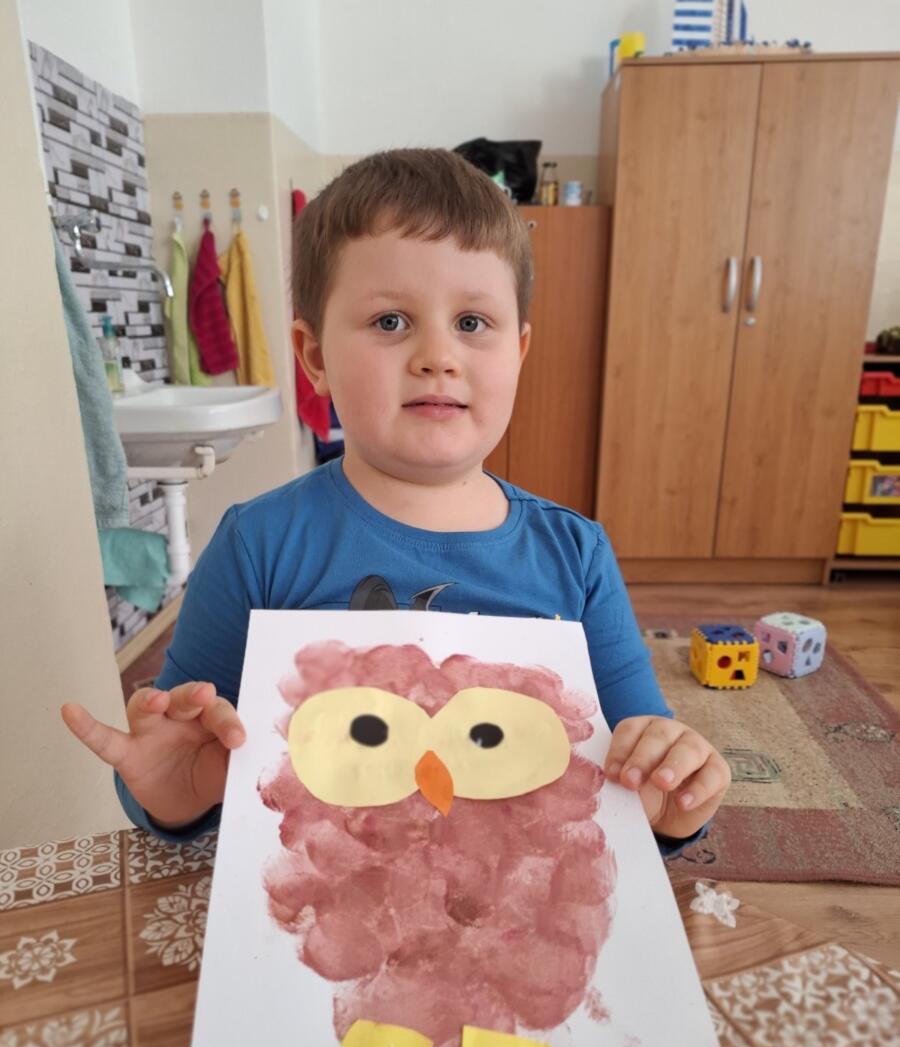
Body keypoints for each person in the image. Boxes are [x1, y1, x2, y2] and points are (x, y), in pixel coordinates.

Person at [61, 148, 730, 854]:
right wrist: (176, 790)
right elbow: (179, 767)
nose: (438, 355)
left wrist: (674, 795)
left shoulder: (577, 556)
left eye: (472, 323)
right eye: (390, 322)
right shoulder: (257, 546)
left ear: (519, 351)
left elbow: (646, 770)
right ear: (315, 357)